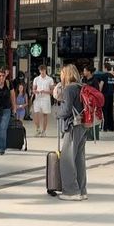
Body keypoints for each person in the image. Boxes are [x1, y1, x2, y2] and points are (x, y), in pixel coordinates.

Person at [55, 64, 87, 201]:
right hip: (83, 126)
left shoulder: (69, 89)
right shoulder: (81, 87)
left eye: (62, 74)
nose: (61, 76)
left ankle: (71, 191)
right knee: (79, 159)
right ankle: (82, 190)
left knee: (67, 159)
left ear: (66, 74)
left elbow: (67, 110)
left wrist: (58, 114)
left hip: (72, 126)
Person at [31, 65, 54, 137]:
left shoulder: (50, 79)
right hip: (37, 98)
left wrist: (45, 91)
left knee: (45, 114)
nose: (42, 72)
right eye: (41, 70)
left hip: (46, 98)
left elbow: (52, 91)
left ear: (45, 70)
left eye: (43, 70)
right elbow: (33, 90)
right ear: (39, 71)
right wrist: (36, 91)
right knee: (36, 114)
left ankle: (44, 131)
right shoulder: (36, 79)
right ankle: (38, 129)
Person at [100, 64, 114, 132]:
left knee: (105, 111)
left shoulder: (104, 76)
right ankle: (111, 127)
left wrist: (99, 93)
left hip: (105, 95)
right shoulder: (113, 76)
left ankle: (105, 127)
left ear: (105, 68)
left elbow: (101, 85)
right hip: (111, 95)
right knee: (110, 111)